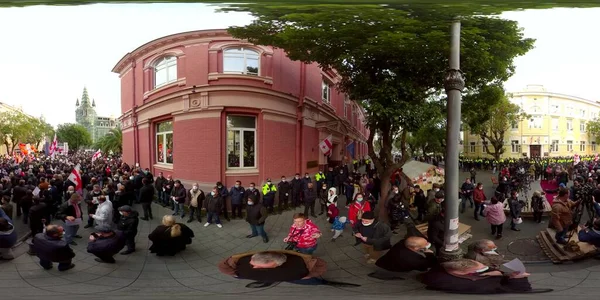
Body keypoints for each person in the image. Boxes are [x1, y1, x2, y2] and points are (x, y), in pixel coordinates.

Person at [218, 250, 353, 288]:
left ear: (275, 264)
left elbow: (321, 265)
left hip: (297, 278)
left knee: (311, 281)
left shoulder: (297, 268)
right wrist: (235, 273)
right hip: (289, 276)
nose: (253, 266)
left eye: (258, 266)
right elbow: (223, 266)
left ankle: (322, 283)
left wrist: (308, 275)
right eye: (253, 262)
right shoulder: (246, 262)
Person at [422, 259, 533, 294]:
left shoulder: (444, 267)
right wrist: (516, 278)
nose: (486, 269)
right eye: (480, 269)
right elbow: (518, 289)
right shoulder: (479, 285)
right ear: (463, 272)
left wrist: (505, 274)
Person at [369, 236, 437, 280]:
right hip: (393, 270)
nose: (427, 244)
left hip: (384, 262)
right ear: (415, 248)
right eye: (425, 244)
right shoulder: (413, 260)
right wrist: (430, 254)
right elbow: (428, 265)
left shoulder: (402, 243)